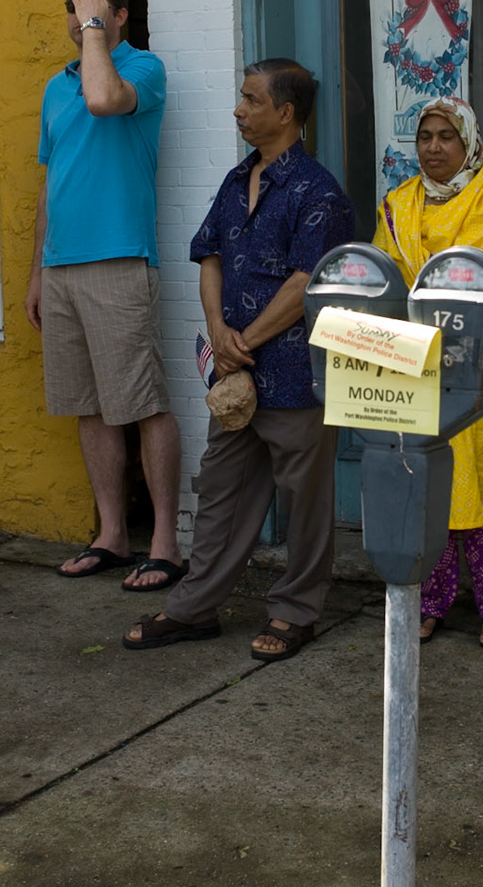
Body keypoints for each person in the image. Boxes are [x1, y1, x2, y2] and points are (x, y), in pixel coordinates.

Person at [123, 58, 354, 661]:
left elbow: (308, 282)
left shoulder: (318, 192)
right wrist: (216, 330)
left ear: (285, 112)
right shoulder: (235, 180)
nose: (238, 109)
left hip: (296, 376)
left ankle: (295, 612)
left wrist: (242, 341)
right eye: (239, 98)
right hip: (234, 375)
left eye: (251, 100)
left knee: (304, 502)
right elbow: (210, 257)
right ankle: (193, 609)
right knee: (221, 489)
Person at [28, 0, 184, 591]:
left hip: (120, 260)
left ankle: (168, 543)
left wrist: (97, 31)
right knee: (87, 408)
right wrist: (39, 268)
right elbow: (50, 182)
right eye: (71, 6)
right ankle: (112, 534)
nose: (76, 18)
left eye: (90, 7)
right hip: (63, 267)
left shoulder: (143, 69)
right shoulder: (52, 88)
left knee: (143, 403)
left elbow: (103, 100)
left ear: (119, 17)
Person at [372, 96, 483, 649]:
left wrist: (437, 306)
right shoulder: (398, 202)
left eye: (446, 137)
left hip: (475, 366)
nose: (434, 147)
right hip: (413, 363)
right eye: (425, 137)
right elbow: (381, 277)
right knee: (422, 485)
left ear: (468, 144)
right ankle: (429, 602)